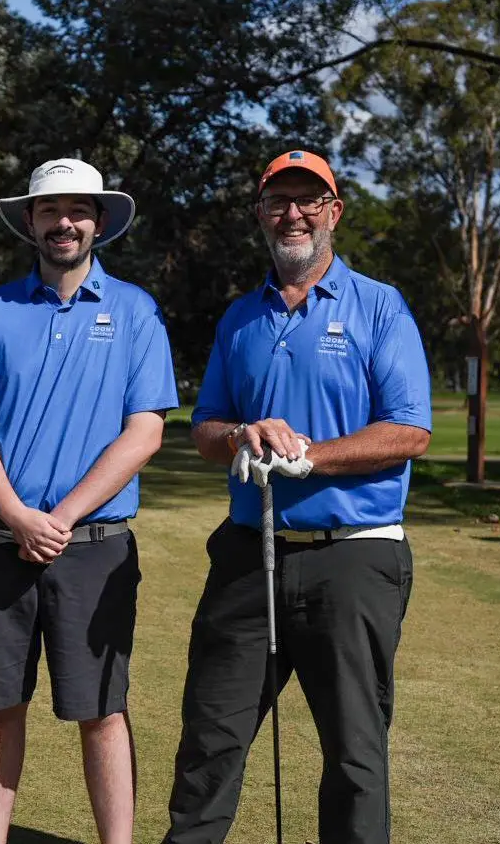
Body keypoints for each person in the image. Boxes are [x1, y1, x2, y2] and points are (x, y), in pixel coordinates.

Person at [161, 150, 431, 844]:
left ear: (333, 212)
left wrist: (308, 456)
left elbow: (409, 431)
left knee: (354, 750)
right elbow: (204, 429)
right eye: (279, 199)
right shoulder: (239, 319)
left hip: (354, 558)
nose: (294, 213)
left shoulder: (379, 306)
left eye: (309, 200)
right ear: (260, 213)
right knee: (211, 736)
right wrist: (243, 437)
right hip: (250, 556)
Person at [0, 159, 178, 844]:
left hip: (94, 549)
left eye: (78, 211)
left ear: (98, 223)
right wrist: (17, 514)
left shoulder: (135, 310)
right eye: (51, 212)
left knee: (102, 709)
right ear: (32, 224)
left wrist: (64, 514)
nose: (64, 223)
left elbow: (146, 431)